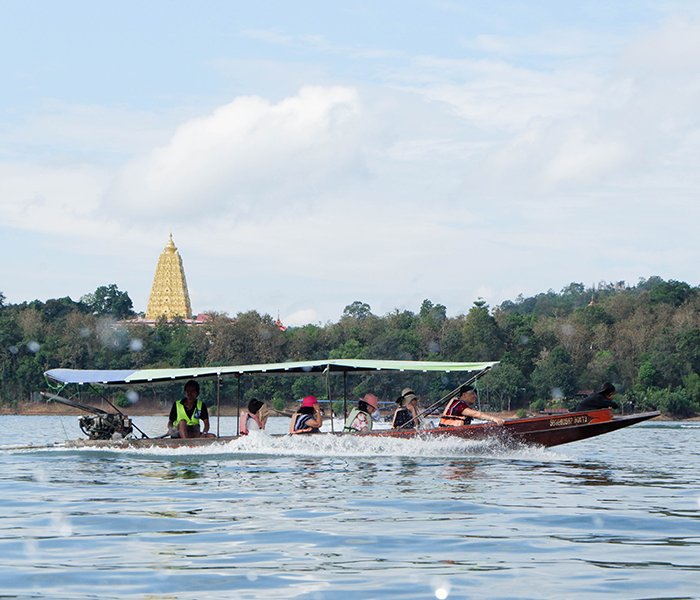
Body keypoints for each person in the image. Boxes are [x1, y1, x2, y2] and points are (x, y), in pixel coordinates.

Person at [439, 384, 505, 427]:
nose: (475, 396)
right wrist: (494, 419)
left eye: (475, 394)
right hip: (449, 433)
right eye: (472, 394)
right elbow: (476, 414)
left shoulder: (460, 404)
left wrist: (495, 418)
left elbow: (480, 415)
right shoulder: (458, 405)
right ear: (464, 395)